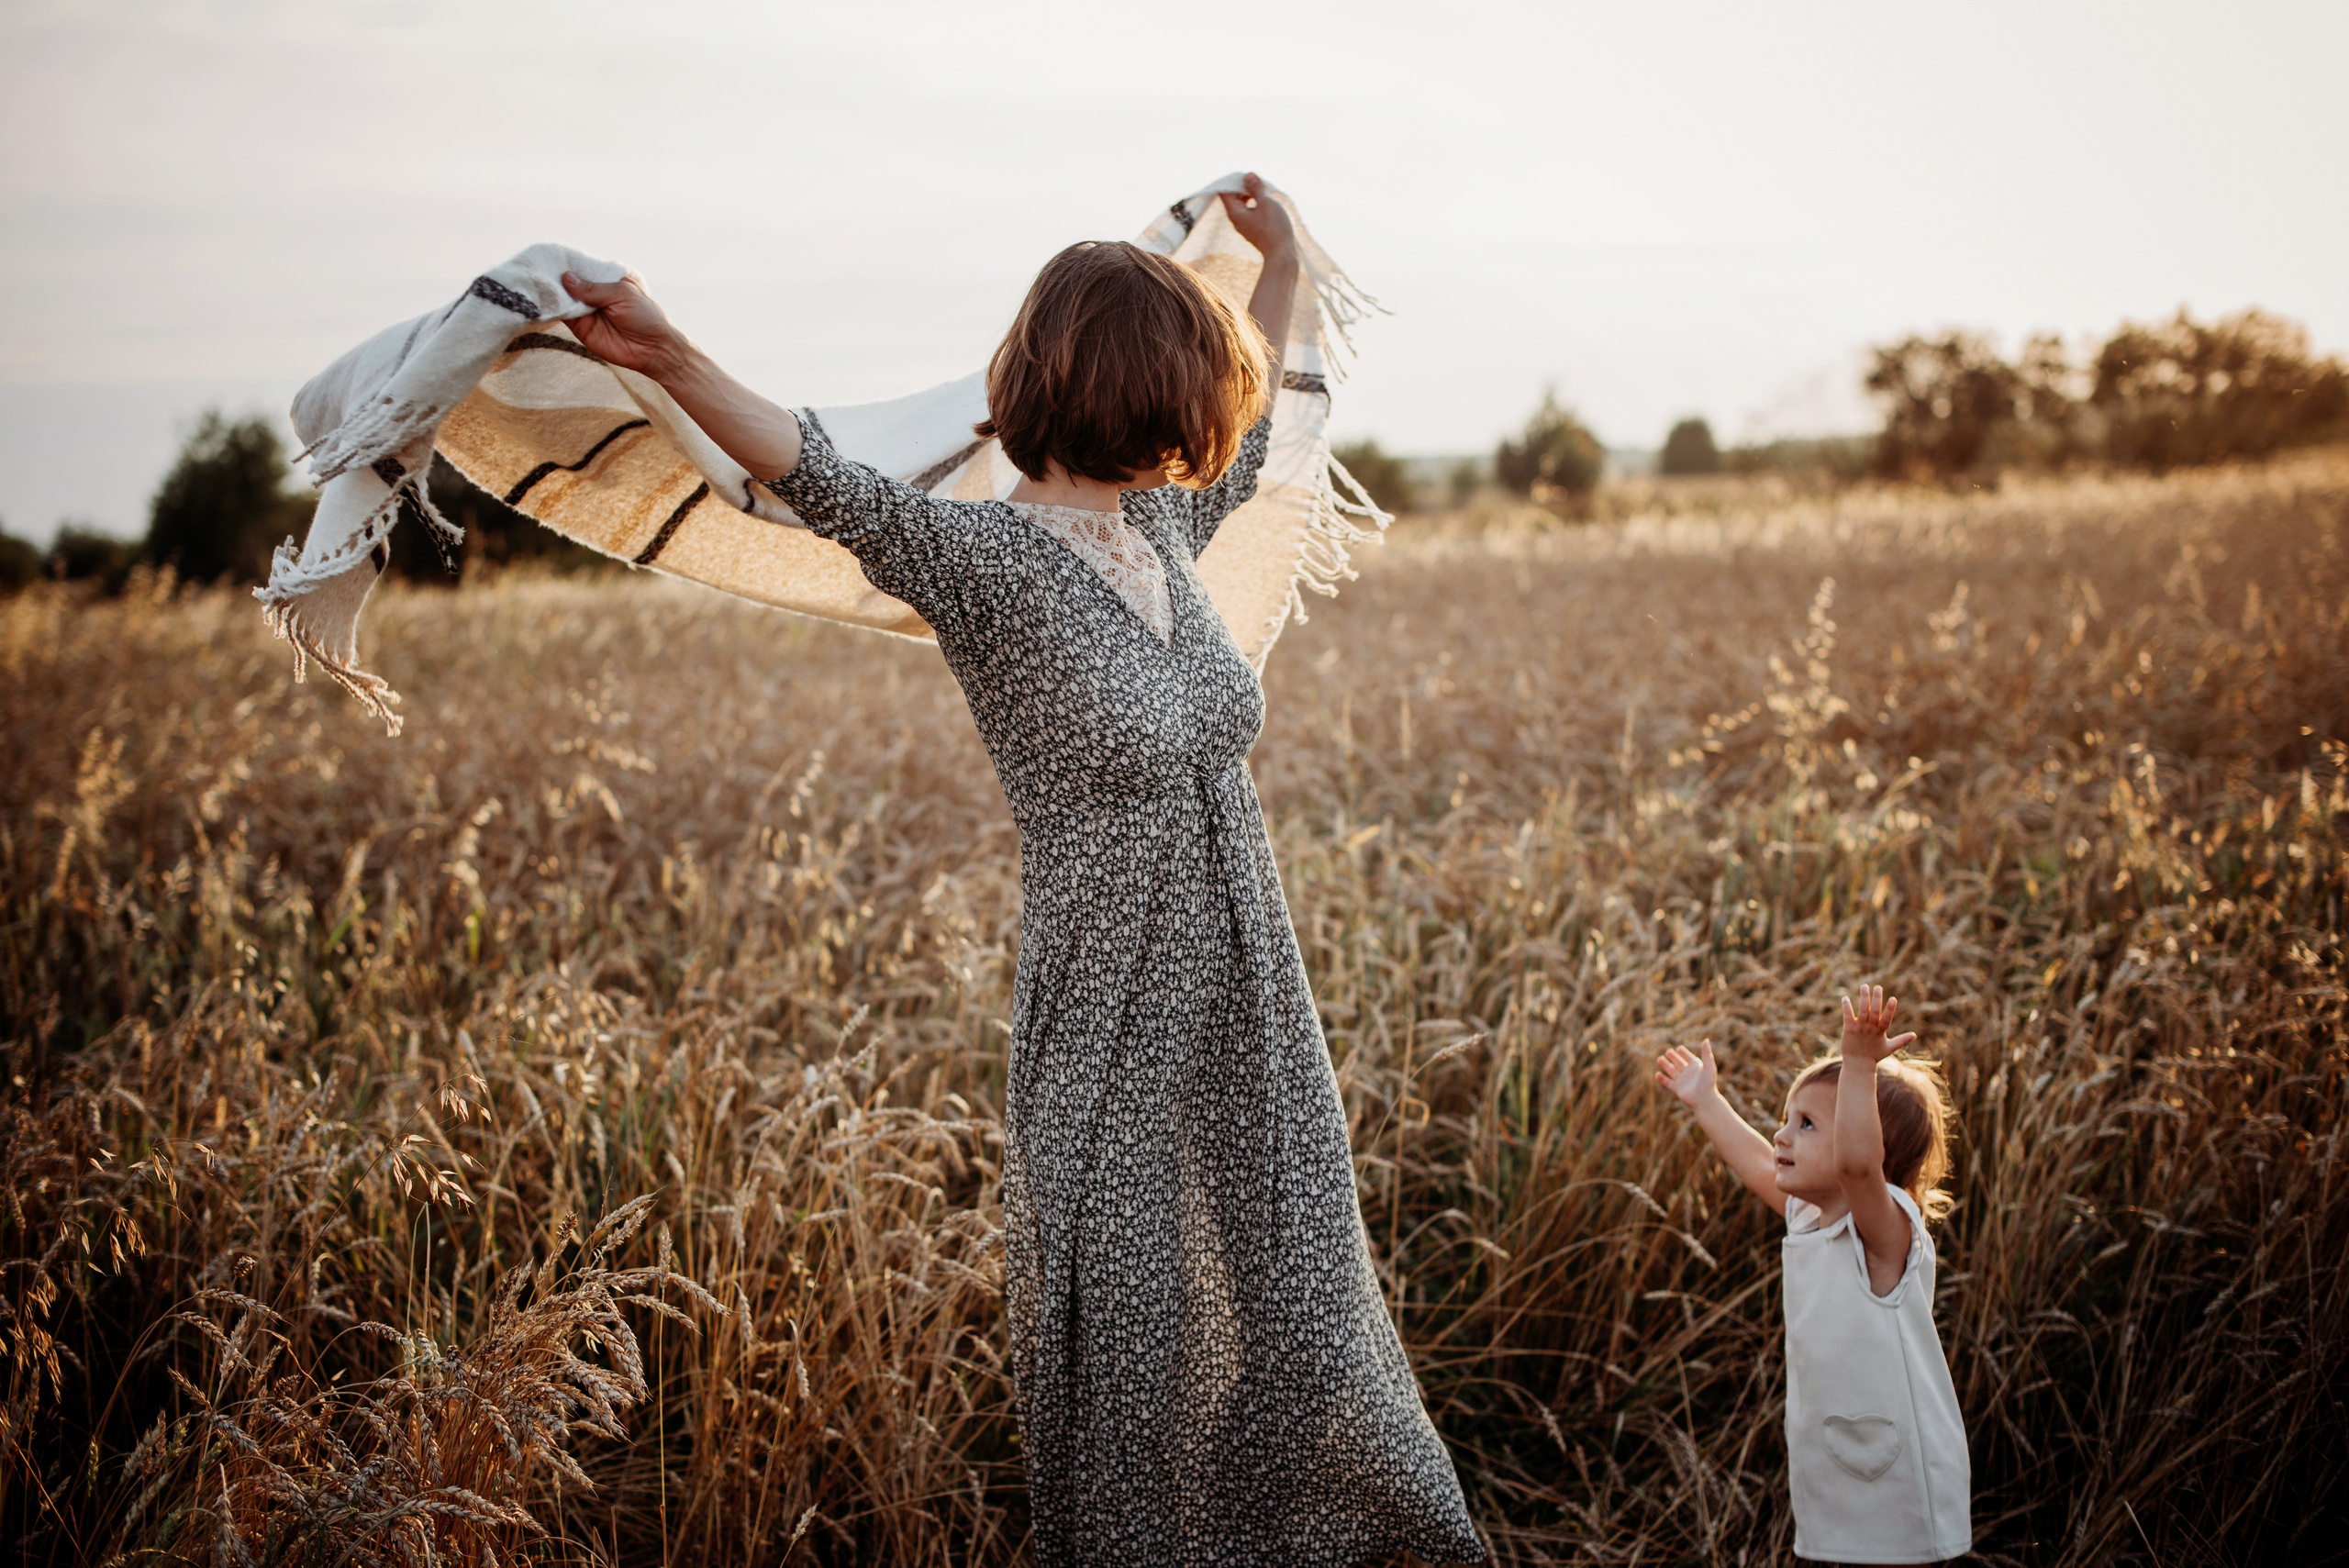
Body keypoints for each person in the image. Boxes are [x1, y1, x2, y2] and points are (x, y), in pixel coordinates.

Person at [559, 174, 1485, 1567]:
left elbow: (1261, 436)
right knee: (1137, 1353)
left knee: (1306, 1318)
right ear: (1130, 383)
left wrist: (1284, 266)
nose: (1209, 414)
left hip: (1250, 1000)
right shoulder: (980, 561)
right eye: (1192, 381)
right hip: (1113, 1016)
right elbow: (817, 473)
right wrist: (671, 352)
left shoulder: (1160, 527)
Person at [1653, 985, 1972, 1565]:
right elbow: (1757, 1162)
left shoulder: (1886, 1236)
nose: (1781, 1135)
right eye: (1787, 1119)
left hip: (1902, 1471)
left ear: (1871, 1146)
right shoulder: (1809, 1216)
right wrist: (1706, 1101)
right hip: (1842, 1458)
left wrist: (1858, 1064)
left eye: (1806, 1125)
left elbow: (1857, 1166)